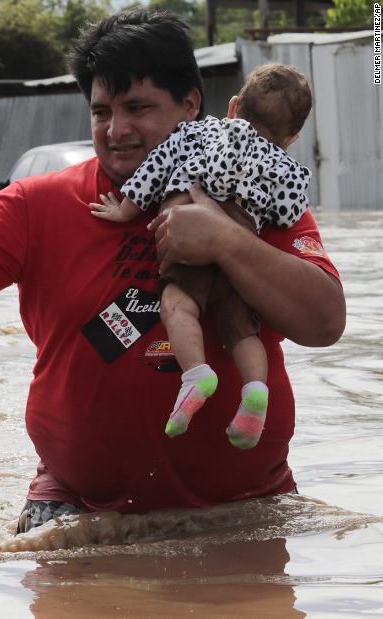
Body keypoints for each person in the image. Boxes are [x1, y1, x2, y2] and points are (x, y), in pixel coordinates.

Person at [0, 9, 344, 533]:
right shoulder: (40, 203)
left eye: (138, 108)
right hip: (77, 513)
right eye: (100, 112)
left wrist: (227, 241)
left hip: (249, 508)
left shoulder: (257, 200)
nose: (116, 130)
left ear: (191, 105)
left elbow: (324, 323)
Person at [89, 63, 314, 450]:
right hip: (239, 253)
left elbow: (155, 167)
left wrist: (125, 210)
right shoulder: (289, 170)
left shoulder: (199, 132)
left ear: (233, 106)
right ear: (292, 136)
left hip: (187, 235)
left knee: (177, 305)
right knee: (242, 332)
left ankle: (196, 374)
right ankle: (255, 390)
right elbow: (289, 214)